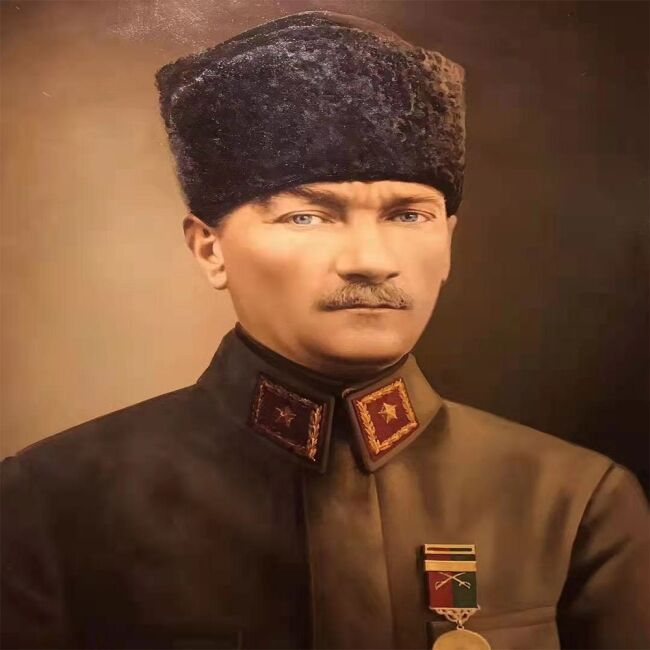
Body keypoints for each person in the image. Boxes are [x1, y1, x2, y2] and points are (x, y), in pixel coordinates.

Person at [1, 10, 647, 650]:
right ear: (209, 249)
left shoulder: (574, 504)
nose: (370, 260)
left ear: (448, 241)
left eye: (408, 215)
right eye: (308, 217)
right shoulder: (49, 505)